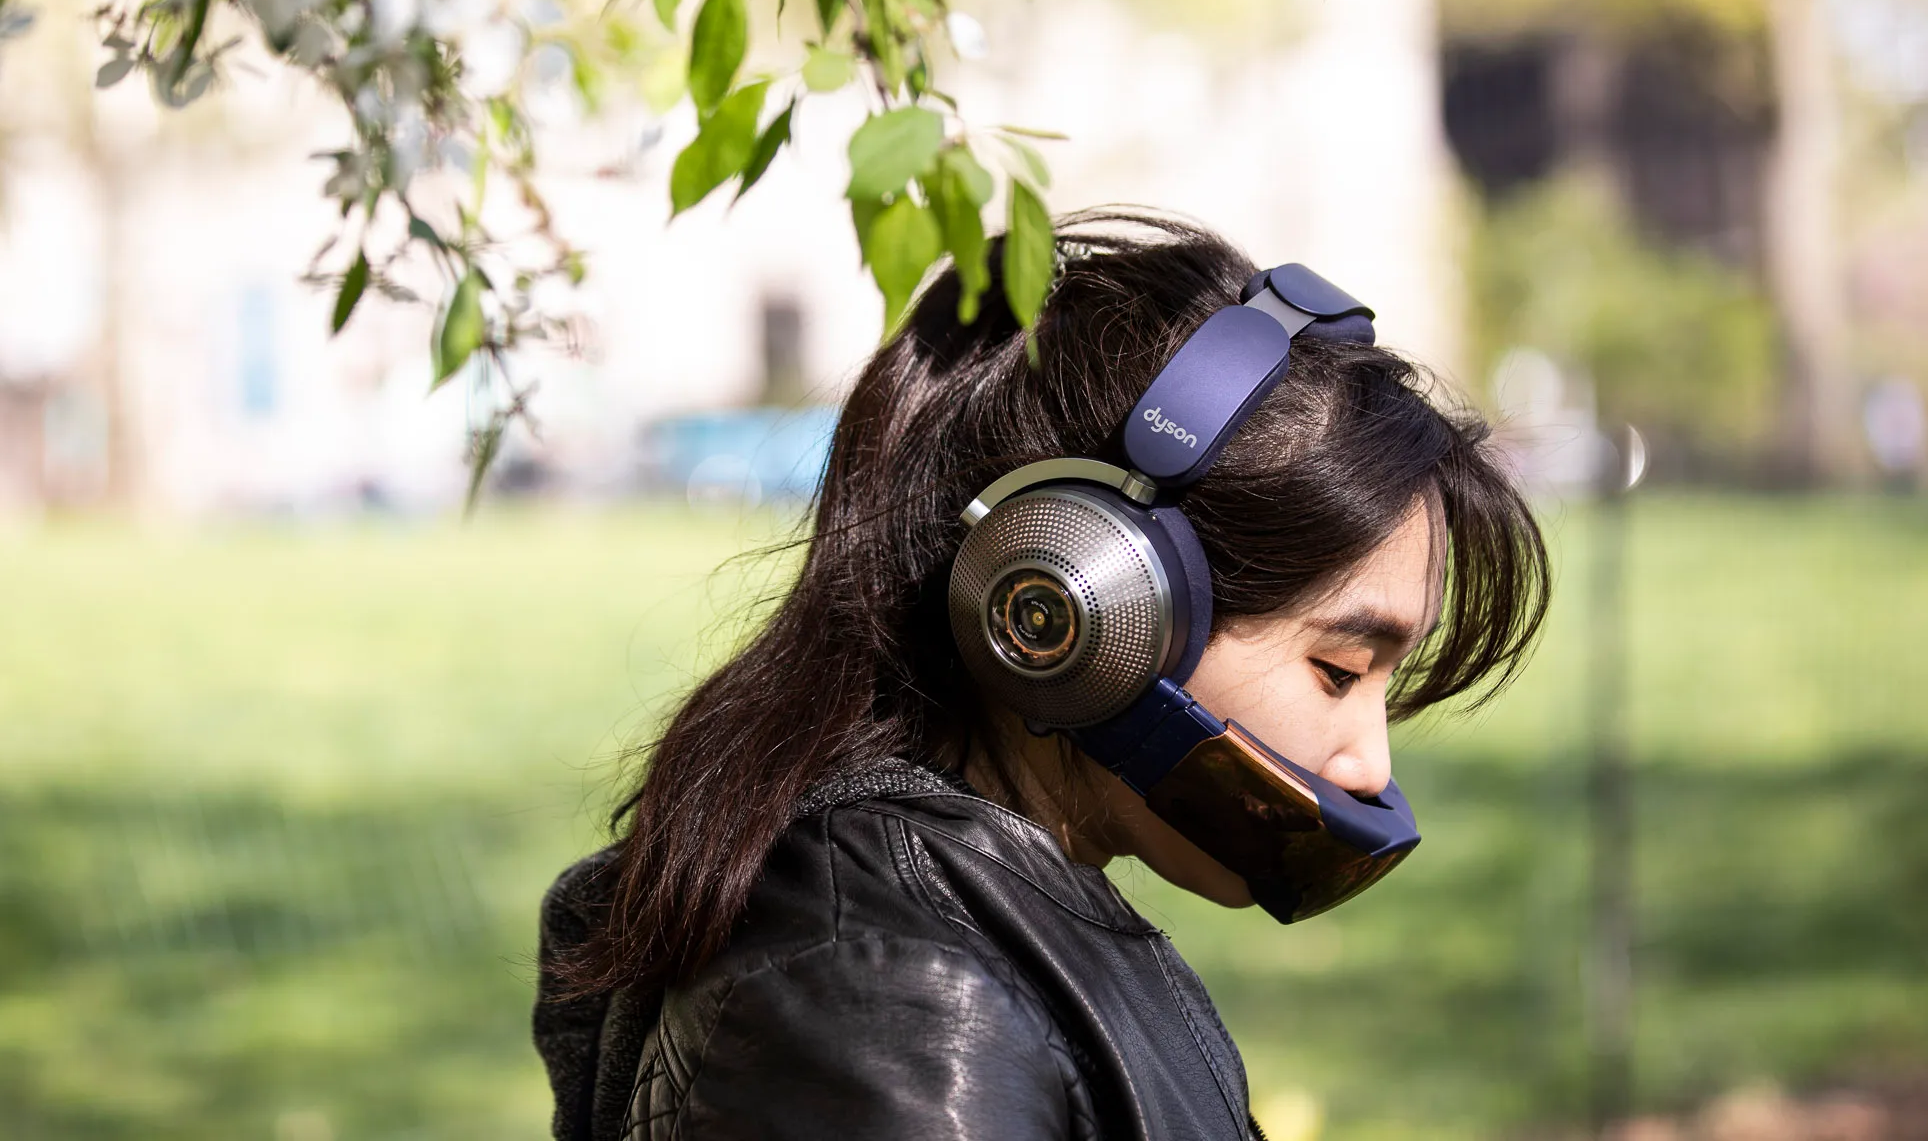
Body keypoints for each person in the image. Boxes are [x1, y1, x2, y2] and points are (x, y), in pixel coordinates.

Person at [533, 214, 1552, 1140]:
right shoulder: (893, 994)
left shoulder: (980, 927)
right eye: (1339, 667)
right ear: (1081, 609)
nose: (1369, 765)